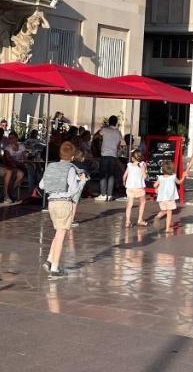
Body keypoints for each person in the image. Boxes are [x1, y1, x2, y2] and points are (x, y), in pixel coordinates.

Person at [39, 142, 87, 279]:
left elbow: (41, 185)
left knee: (58, 232)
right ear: (72, 157)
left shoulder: (51, 166)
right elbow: (73, 190)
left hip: (51, 202)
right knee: (61, 235)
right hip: (63, 203)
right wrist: (82, 181)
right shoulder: (70, 169)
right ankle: (55, 268)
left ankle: (49, 260)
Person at [95, 116, 124, 201]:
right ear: (116, 122)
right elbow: (118, 145)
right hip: (113, 155)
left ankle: (103, 194)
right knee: (111, 175)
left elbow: (96, 136)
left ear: (109, 122)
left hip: (104, 155)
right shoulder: (118, 132)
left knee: (103, 174)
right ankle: (110, 194)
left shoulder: (105, 130)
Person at [151, 160, 179, 232]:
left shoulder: (160, 177)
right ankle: (167, 228)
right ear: (172, 169)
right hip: (169, 198)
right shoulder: (173, 177)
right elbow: (179, 182)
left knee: (164, 210)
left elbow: (154, 185)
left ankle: (157, 217)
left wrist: (156, 188)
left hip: (161, 198)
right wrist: (184, 176)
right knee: (169, 212)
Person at [122, 150, 148, 227]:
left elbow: (124, 176)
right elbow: (144, 176)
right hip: (139, 187)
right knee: (142, 202)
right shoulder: (142, 165)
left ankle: (127, 222)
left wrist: (124, 182)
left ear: (132, 158)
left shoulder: (129, 165)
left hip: (130, 187)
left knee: (129, 205)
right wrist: (146, 170)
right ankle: (140, 220)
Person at [1, 131, 27, 204]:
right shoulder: (7, 148)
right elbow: (8, 159)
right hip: (10, 166)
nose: (11, 139)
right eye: (9, 138)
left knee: (22, 174)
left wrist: (22, 160)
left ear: (16, 138)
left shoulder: (21, 146)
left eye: (12, 138)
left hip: (19, 165)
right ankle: (7, 194)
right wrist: (17, 162)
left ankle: (10, 191)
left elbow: (25, 157)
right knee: (14, 172)